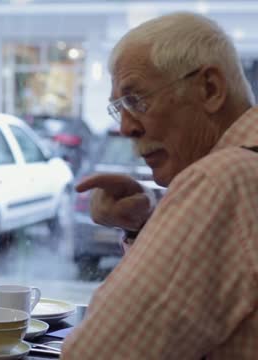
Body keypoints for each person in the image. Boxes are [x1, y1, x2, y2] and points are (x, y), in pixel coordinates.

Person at [63, 12, 258, 359]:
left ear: (210, 89)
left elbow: (95, 353)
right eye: (118, 109)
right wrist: (146, 225)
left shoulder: (225, 178)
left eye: (136, 101)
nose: (125, 128)